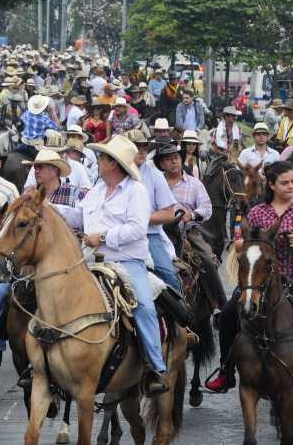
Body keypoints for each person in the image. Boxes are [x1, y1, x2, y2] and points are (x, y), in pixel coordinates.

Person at [206, 161, 293, 402]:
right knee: (229, 314)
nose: (292, 186)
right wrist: (257, 242)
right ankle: (225, 369)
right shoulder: (257, 212)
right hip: (261, 279)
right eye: (285, 182)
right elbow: (239, 242)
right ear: (271, 185)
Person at [62, 135, 168, 396]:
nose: (97, 161)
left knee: (143, 305)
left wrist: (104, 236)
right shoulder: (97, 190)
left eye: (102, 158)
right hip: (90, 260)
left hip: (127, 261)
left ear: (114, 164)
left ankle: (155, 367)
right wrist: (49, 209)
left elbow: (136, 228)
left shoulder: (137, 191)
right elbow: (78, 216)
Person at [0, 148, 83, 374]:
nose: (36, 171)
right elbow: (11, 224)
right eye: (35, 167)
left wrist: (49, 210)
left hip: (63, 261)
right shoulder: (26, 194)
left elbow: (81, 221)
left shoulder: (74, 194)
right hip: (29, 261)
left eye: (41, 167)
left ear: (55, 170)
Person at [155, 143, 226, 309]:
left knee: (207, 259)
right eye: (168, 159)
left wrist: (192, 214)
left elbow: (207, 208)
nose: (173, 162)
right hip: (159, 231)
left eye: (176, 158)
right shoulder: (156, 184)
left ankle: (220, 302)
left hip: (187, 231)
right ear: (161, 164)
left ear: (181, 159)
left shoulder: (194, 183)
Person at [123, 130, 179, 291]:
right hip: (117, 235)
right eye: (137, 147)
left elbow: (169, 213)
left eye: (144, 147)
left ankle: (181, 313)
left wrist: (139, 218)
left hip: (149, 235)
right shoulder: (114, 173)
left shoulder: (155, 174)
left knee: (167, 275)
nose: (142, 151)